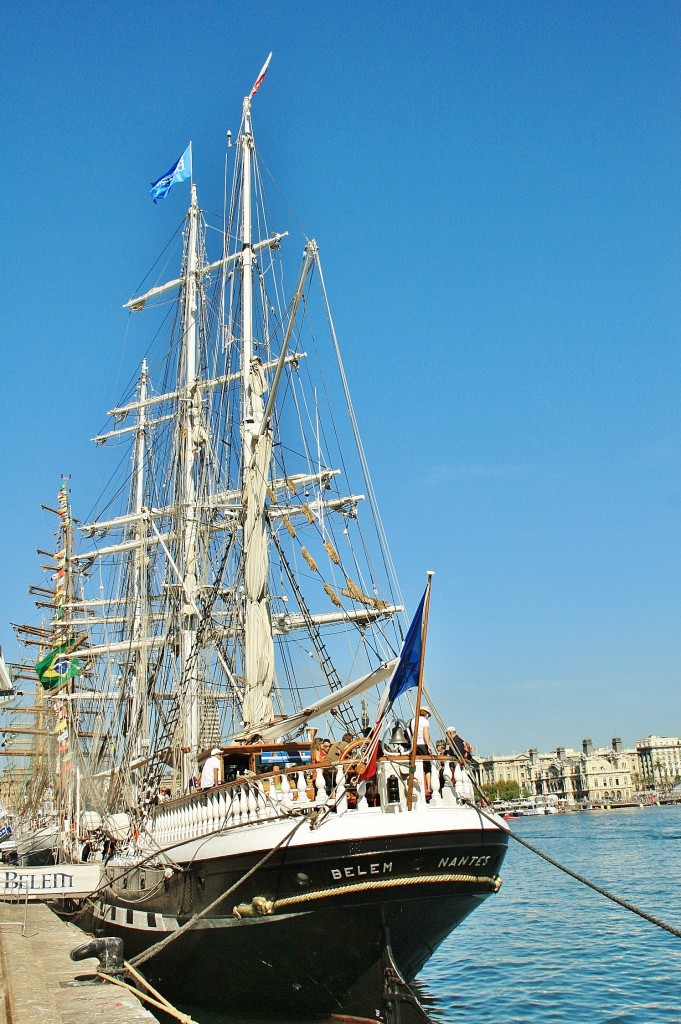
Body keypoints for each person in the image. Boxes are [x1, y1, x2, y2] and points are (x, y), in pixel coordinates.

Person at [410, 706, 434, 797]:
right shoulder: (425, 721)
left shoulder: (413, 720)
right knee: (427, 767)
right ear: (426, 713)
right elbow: (426, 734)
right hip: (422, 745)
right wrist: (429, 746)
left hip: (414, 746)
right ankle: (429, 786)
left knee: (416, 765)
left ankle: (416, 785)